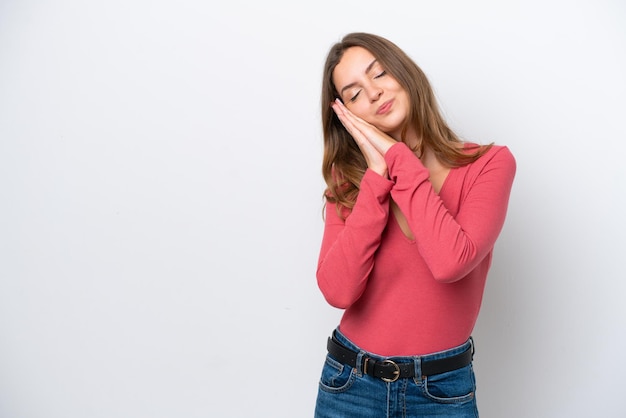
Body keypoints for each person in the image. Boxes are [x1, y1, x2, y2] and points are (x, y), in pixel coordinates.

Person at [313, 32, 516, 418]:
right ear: (349, 115)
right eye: (354, 94)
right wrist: (376, 176)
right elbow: (338, 290)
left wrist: (398, 157)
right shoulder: (350, 179)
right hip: (349, 385)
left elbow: (450, 262)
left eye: (380, 73)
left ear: (405, 73)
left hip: (442, 392)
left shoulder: (489, 165)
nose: (372, 93)